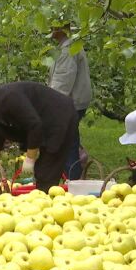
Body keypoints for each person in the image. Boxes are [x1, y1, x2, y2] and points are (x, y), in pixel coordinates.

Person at [0, 82, 78, 193]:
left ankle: (48, 200)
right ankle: (45, 196)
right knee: (43, 169)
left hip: (59, 117)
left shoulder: (9, 99)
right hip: (41, 121)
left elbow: (34, 126)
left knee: (47, 168)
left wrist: (30, 158)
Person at [48, 23, 92, 180]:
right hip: (73, 102)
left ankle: (73, 183)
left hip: (69, 104)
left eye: (53, 26)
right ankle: (74, 180)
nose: (50, 30)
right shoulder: (68, 47)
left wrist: (49, 108)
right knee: (70, 141)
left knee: (66, 145)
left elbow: (62, 84)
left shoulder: (67, 51)